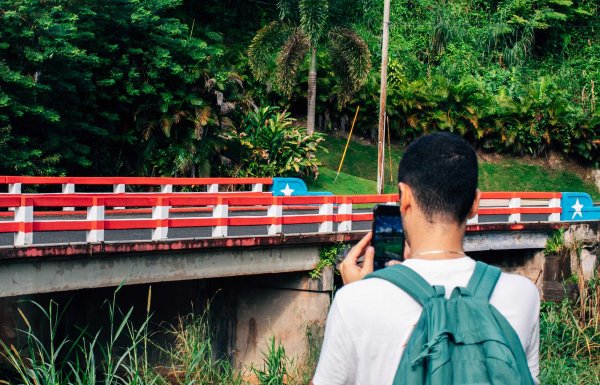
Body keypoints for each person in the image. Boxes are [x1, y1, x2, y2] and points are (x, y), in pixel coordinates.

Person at [310, 132, 540, 385]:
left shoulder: (354, 302)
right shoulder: (522, 295)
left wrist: (361, 291)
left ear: (404, 197)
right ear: (475, 203)